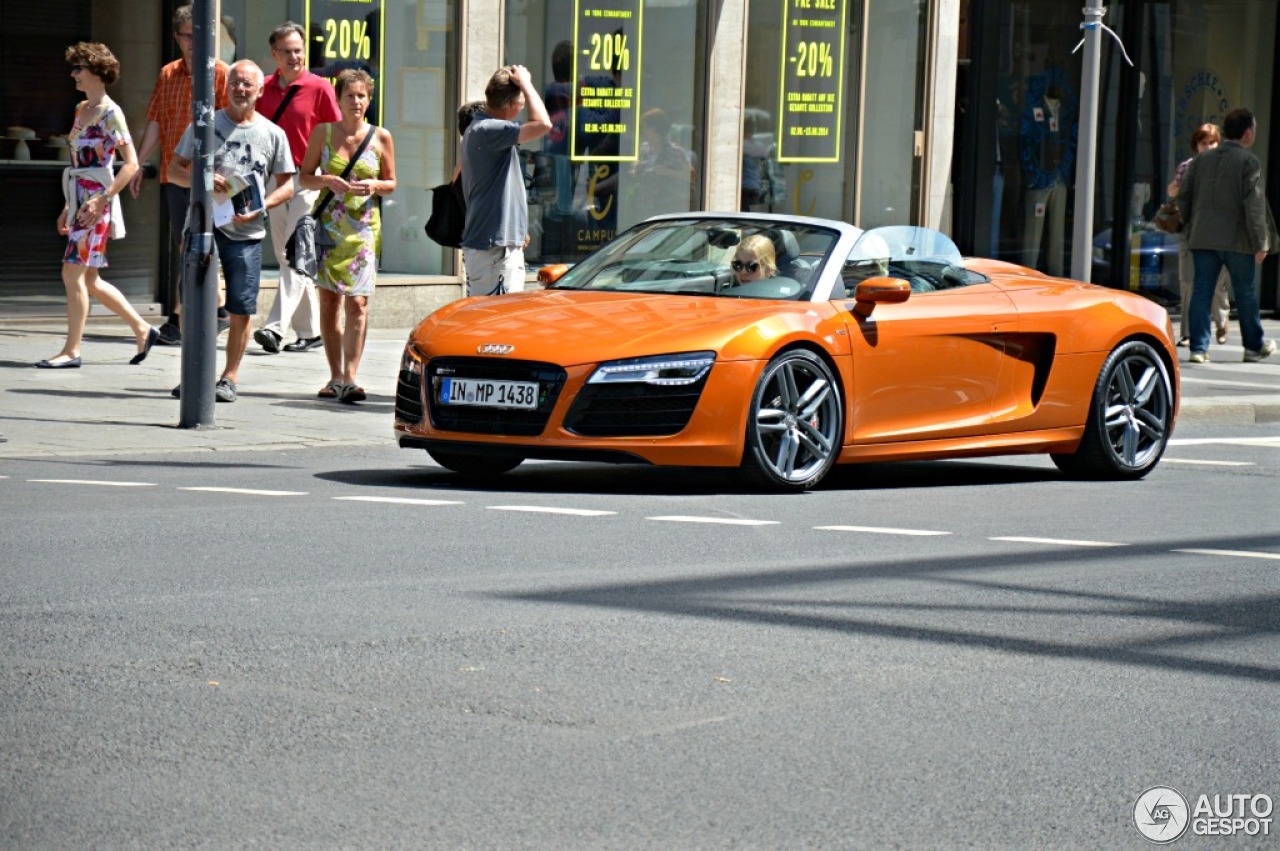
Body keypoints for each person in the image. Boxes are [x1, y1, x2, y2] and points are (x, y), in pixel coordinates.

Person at [168, 60, 295, 401]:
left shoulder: (272, 134)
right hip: (202, 226)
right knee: (195, 304)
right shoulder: (204, 126)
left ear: (260, 90)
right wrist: (204, 179)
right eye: (235, 82)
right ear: (226, 87)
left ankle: (229, 377)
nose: (240, 89)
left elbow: (288, 185)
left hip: (247, 232)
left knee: (241, 306)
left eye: (247, 84)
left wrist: (263, 205)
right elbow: (173, 170)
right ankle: (194, 374)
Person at [38, 42, 157, 369]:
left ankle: (72, 350)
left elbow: (131, 164)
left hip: (96, 205)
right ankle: (142, 327)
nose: (74, 74)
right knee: (88, 280)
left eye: (79, 68)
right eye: (73, 68)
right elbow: (78, 164)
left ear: (97, 72)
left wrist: (103, 198)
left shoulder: (110, 113)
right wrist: (67, 204)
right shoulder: (81, 109)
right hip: (80, 200)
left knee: (71, 273)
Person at [129, 4, 231, 346]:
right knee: (184, 243)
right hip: (174, 174)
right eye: (188, 35)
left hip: (209, 176)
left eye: (199, 35)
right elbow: (155, 122)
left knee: (200, 241)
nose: (194, 42)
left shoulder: (220, 74)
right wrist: (137, 164)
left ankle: (181, 315)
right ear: (176, 37)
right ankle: (214, 310)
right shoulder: (167, 74)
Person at [298, 69, 396, 404]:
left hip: (365, 228)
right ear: (338, 99)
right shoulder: (322, 133)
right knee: (330, 301)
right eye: (349, 95)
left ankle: (351, 377)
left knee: (358, 302)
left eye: (361, 96)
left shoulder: (381, 136)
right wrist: (327, 181)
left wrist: (375, 185)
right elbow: (304, 178)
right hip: (329, 227)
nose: (356, 101)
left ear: (369, 100)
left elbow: (392, 181)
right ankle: (335, 375)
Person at [253, 21, 341, 355]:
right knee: (285, 255)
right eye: (287, 52)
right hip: (273, 181)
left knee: (293, 254)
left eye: (299, 51)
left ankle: (274, 328)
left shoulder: (320, 88)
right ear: (274, 54)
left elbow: (334, 134)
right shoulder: (263, 88)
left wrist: (331, 178)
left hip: (307, 181)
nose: (294, 57)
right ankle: (310, 331)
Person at [1177, 107, 1278, 364]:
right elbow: (1254, 205)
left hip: (1203, 236)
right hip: (1237, 239)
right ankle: (1253, 346)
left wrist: (1191, 224)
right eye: (1253, 128)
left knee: (1202, 290)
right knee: (1245, 292)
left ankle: (1198, 348)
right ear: (1247, 133)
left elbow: (1184, 197)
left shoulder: (1201, 160)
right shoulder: (1248, 161)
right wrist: (1261, 241)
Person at [460, 65, 552, 297]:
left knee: (495, 322)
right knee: (492, 323)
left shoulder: (485, 129)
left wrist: (518, 227)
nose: (523, 104)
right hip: (493, 249)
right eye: (521, 99)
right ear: (513, 103)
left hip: (497, 245)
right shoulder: (489, 129)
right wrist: (526, 84)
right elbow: (543, 124)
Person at [1166, 124, 1230, 347]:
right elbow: (1172, 191)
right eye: (1204, 143)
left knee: (1216, 284)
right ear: (1196, 146)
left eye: (1212, 142)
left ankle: (1222, 321)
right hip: (1190, 231)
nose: (1208, 146)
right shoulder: (1187, 167)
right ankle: (1188, 333)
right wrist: (1177, 186)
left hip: (1218, 233)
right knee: (1189, 282)